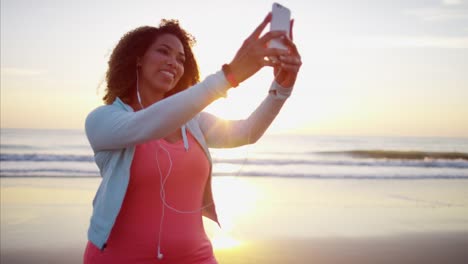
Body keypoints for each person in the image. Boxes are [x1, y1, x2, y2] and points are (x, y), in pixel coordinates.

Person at [83, 12, 301, 264]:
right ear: (138, 59)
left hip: (196, 257)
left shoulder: (193, 122)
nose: (173, 62)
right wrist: (229, 76)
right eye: (163, 52)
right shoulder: (103, 120)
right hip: (119, 258)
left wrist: (281, 90)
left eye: (180, 59)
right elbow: (144, 126)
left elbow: (247, 132)